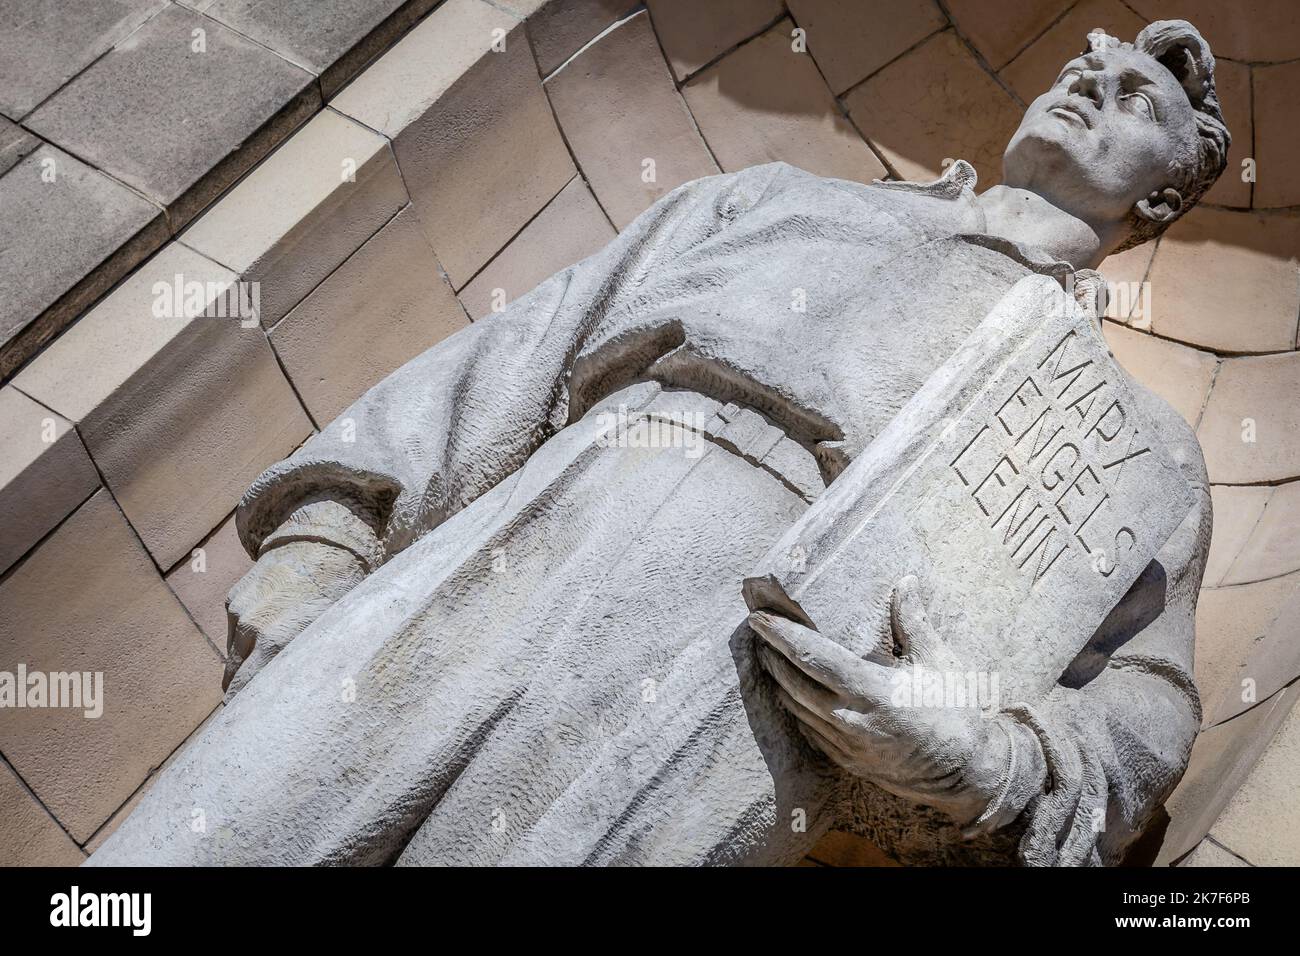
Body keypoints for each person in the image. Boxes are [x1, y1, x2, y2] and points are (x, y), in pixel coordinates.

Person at [90, 20, 1228, 867]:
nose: (1088, 82)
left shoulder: (1138, 448)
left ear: (1168, 196)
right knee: (220, 831)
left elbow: (1141, 709)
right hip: (526, 541)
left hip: (758, 706)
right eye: (1084, 68)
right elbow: (522, 355)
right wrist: (328, 533)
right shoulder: (781, 197)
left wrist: (988, 758)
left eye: (1134, 98)